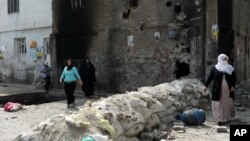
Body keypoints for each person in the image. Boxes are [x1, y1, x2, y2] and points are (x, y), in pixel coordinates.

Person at [204, 54, 236, 126]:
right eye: (223, 59)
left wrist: (233, 86)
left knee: (225, 102)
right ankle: (219, 119)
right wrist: (206, 85)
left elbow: (234, 78)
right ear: (219, 60)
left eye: (225, 59)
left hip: (227, 89)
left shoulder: (230, 68)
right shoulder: (215, 68)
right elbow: (210, 77)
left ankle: (226, 118)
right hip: (217, 89)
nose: (224, 61)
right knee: (217, 103)